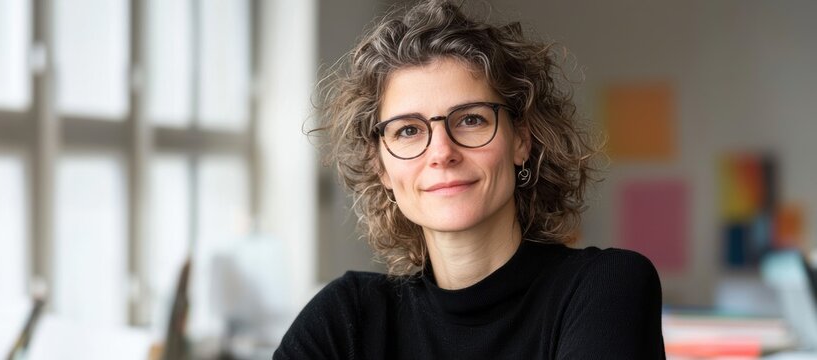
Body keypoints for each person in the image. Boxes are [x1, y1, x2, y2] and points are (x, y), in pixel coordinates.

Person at [275, 1, 665, 358]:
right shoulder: (346, 317)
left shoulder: (605, 287)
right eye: (408, 130)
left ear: (521, 141)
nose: (442, 152)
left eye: (471, 119)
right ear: (382, 168)